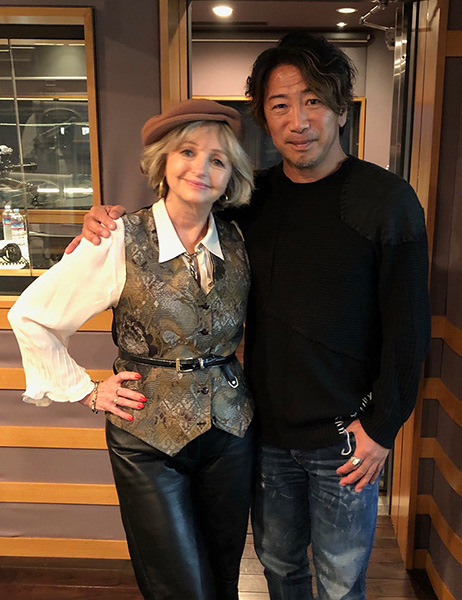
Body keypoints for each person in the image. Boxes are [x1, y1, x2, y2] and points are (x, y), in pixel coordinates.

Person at [69, 33, 431, 600]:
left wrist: (383, 427)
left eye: (314, 100)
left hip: (348, 436)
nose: (298, 120)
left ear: (341, 109)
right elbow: (178, 212)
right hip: (261, 431)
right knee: (278, 565)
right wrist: (102, 226)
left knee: (340, 580)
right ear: (264, 117)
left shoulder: (388, 200)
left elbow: (409, 328)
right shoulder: (249, 200)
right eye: (280, 105)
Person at [9, 98, 256, 600]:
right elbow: (30, 314)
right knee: (177, 586)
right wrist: (89, 392)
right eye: (188, 152)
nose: (201, 168)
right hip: (148, 440)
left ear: (231, 176)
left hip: (230, 434)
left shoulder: (239, 239)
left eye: (218, 159)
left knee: (222, 578)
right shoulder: (117, 238)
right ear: (164, 161)